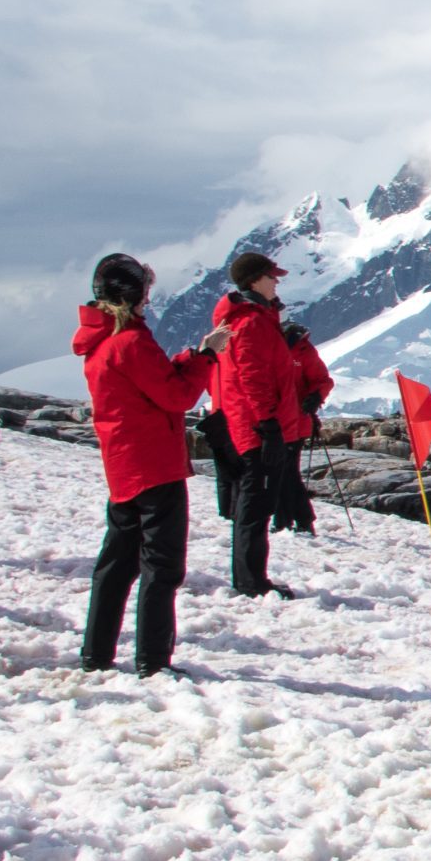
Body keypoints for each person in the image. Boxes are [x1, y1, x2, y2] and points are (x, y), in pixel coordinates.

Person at [75, 254, 231, 676]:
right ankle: (152, 660)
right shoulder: (131, 343)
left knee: (116, 564)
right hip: (155, 466)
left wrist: (189, 358)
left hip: (124, 467)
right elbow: (177, 397)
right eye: (145, 291)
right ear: (133, 296)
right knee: (162, 567)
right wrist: (206, 357)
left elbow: (153, 386)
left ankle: (96, 653)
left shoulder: (102, 345)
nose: (149, 299)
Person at [212, 251, 297, 597]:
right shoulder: (251, 323)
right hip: (254, 428)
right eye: (271, 276)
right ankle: (251, 581)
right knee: (255, 505)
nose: (277, 281)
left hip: (249, 425)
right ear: (254, 281)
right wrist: (268, 425)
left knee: (256, 504)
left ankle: (250, 577)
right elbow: (253, 377)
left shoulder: (255, 319)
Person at [271, 321, 331, 534]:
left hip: (296, 421)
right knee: (283, 470)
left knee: (284, 470)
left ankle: (293, 520)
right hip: (276, 419)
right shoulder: (274, 346)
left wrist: (314, 397)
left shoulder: (304, 351)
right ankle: (292, 519)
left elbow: (322, 380)